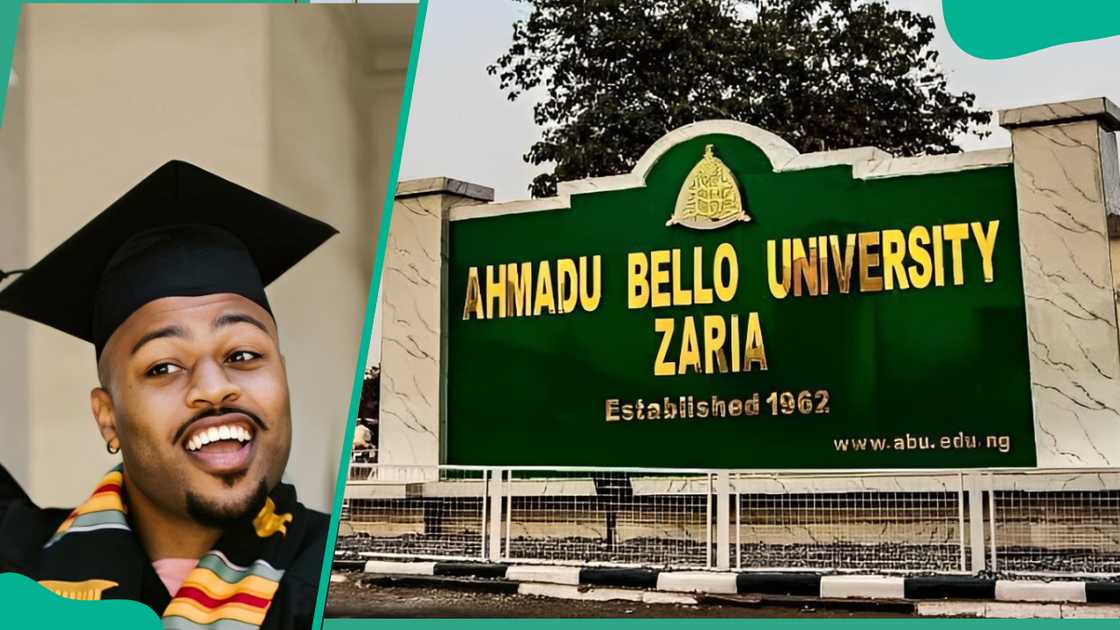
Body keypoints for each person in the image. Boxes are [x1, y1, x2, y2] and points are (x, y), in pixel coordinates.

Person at [0, 160, 337, 629]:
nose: (216, 388)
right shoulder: (17, 568)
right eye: (163, 366)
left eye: (242, 355)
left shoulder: (335, 573)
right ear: (107, 417)